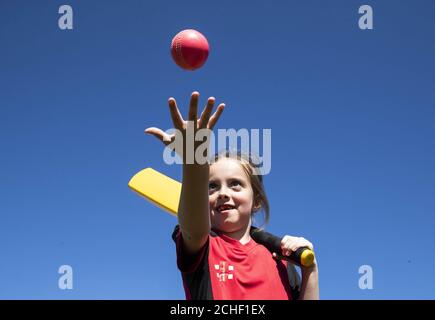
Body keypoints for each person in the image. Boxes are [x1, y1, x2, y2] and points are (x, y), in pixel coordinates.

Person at [145, 92, 319, 300]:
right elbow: (194, 228)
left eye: (235, 184)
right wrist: (193, 162)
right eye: (212, 186)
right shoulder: (203, 246)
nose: (223, 193)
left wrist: (311, 269)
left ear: (257, 202)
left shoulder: (280, 258)